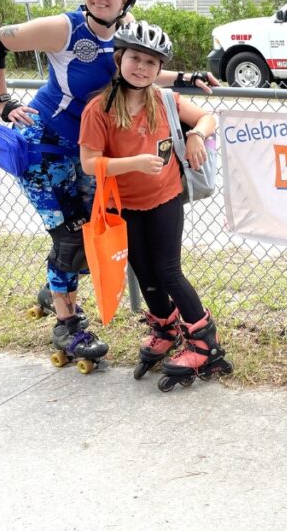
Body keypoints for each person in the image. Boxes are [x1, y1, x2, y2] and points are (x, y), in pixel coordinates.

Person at [0, 0, 215, 367]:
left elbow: (137, 68)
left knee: (95, 235)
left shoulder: (122, 34)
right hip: (45, 147)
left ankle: (56, 288)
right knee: (70, 239)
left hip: (90, 149)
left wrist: (186, 79)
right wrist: (1, 99)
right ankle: (67, 325)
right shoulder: (64, 29)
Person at [78, 21, 232, 392]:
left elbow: (209, 116)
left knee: (167, 270)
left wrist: (196, 134)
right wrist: (133, 162)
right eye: (135, 58)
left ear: (158, 68)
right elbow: (89, 162)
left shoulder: (165, 100)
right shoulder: (99, 109)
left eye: (151, 62)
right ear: (120, 59)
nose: (142, 68)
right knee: (144, 271)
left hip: (165, 197)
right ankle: (164, 326)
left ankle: (204, 342)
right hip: (125, 204)